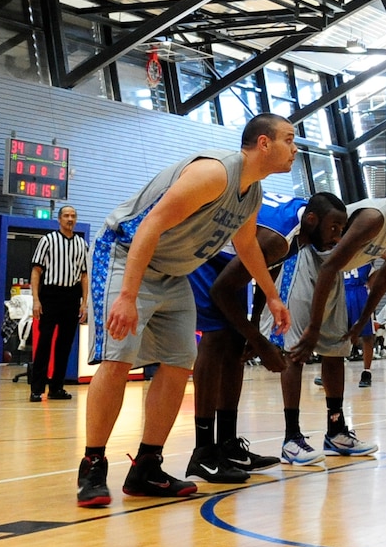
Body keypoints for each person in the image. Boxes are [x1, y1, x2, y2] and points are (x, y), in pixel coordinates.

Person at [74, 115, 296, 508]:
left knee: (179, 362)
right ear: (264, 143)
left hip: (173, 272)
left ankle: (147, 465)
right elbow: (149, 226)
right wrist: (126, 295)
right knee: (118, 356)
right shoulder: (213, 174)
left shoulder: (252, 191)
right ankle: (92, 464)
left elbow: (246, 245)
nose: (295, 149)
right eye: (289, 140)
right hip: (127, 255)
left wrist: (273, 296)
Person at [186, 192, 347, 484]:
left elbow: (266, 271)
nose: (338, 237)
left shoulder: (305, 225)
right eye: (334, 228)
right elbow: (220, 291)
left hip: (229, 255)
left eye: (341, 229)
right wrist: (260, 342)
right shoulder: (281, 236)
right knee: (217, 338)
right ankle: (203, 452)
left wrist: (254, 325)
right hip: (201, 249)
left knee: (236, 342)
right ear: (313, 220)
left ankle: (227, 444)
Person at [279, 178, 386, 464]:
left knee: (336, 350)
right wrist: (313, 327)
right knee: (297, 350)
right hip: (309, 258)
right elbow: (329, 263)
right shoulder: (374, 218)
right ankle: (291, 438)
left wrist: (364, 318)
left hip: (333, 270)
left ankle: (336, 432)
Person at [27, 206, 91, 402]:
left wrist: (84, 303)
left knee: (64, 345)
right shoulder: (47, 240)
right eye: (66, 216)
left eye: (73, 216)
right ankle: (37, 389)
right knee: (45, 343)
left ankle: (56, 388)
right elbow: (36, 271)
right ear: (59, 219)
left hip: (71, 297)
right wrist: (36, 300)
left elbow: (84, 275)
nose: (70, 219)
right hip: (50, 295)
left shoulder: (81, 243)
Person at [346, 266, 377, 384]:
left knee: (367, 335)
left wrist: (374, 278)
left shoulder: (366, 252)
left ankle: (366, 372)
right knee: (336, 333)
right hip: (342, 291)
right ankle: (328, 373)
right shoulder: (337, 249)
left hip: (361, 292)